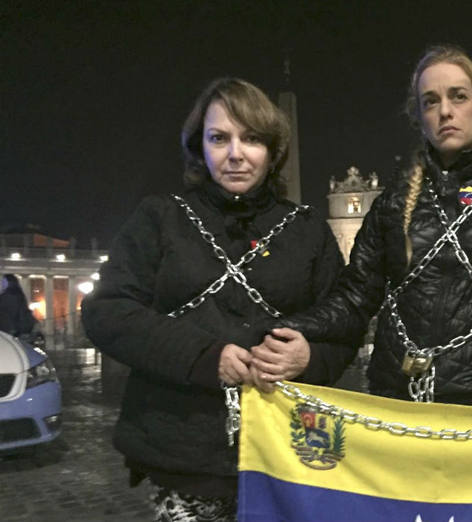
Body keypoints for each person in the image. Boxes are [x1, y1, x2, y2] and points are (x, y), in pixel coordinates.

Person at [266, 46, 472, 423]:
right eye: (431, 101)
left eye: (458, 96)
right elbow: (354, 298)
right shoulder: (393, 203)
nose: (445, 111)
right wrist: (288, 330)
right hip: (401, 401)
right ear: (418, 117)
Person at [81, 78, 353, 521]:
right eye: (219, 138)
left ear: (273, 149)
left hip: (285, 447)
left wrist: (310, 357)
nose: (236, 153)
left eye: (251, 139)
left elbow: (343, 326)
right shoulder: (159, 217)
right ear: (198, 146)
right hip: (183, 450)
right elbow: (106, 312)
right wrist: (204, 357)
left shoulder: (307, 229)